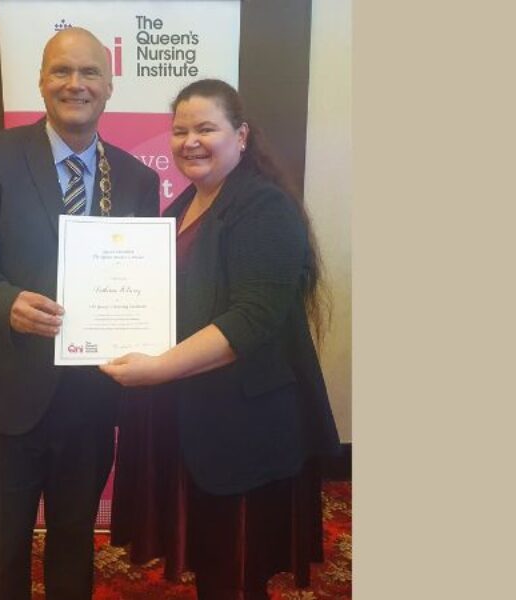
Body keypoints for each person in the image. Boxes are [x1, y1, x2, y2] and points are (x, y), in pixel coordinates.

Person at [0, 27, 159, 600]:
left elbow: (141, 283)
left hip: (88, 402)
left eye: (89, 72)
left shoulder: (137, 179)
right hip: (3, 398)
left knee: (73, 544)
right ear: (41, 82)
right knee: (3, 551)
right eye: (61, 71)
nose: (75, 84)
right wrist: (5, 302)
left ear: (109, 86)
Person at [101, 79, 341, 599]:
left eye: (206, 128)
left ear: (242, 134)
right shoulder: (183, 206)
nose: (191, 141)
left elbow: (250, 320)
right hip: (195, 418)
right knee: (214, 560)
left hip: (245, 429)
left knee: (237, 569)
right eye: (180, 130)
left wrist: (157, 369)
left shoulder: (264, 209)